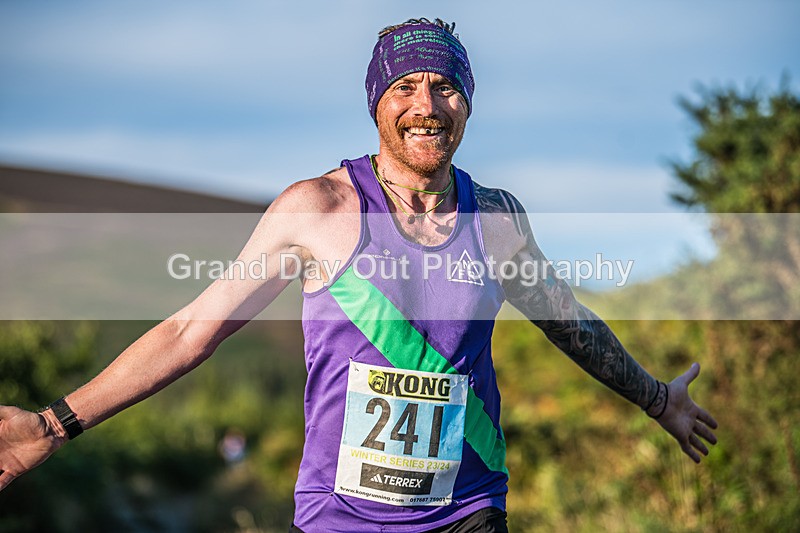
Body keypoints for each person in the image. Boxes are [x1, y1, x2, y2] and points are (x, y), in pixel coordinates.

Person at [0, 18, 718, 532]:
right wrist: (51, 424)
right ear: (377, 101)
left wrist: (659, 399)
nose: (426, 105)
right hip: (338, 518)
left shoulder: (497, 218)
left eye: (445, 86)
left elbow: (568, 323)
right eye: (405, 85)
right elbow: (192, 330)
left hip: (467, 511)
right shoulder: (315, 209)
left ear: (467, 101)